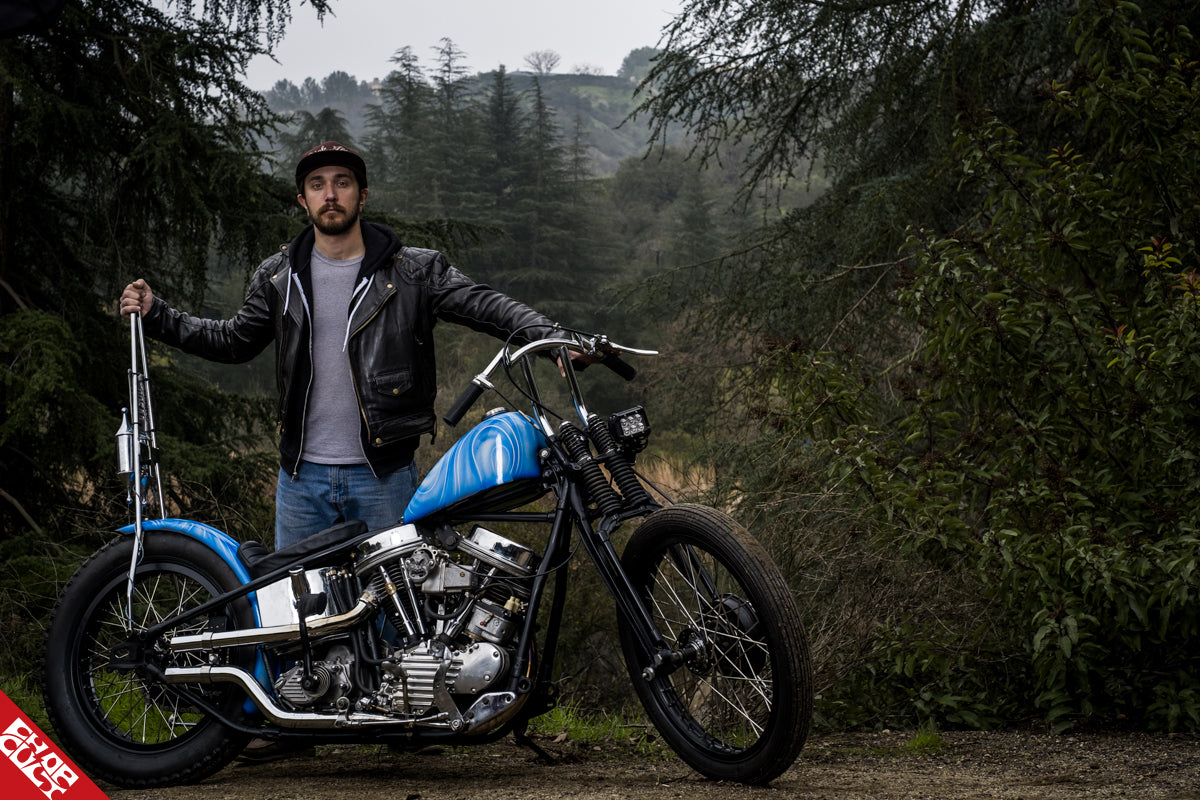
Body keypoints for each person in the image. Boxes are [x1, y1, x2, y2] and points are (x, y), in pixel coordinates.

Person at [119, 141, 565, 551]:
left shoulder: (414, 272)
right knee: (302, 619)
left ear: (362, 195)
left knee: (394, 624)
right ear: (303, 200)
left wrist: (551, 336)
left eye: (341, 183)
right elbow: (233, 341)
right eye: (317, 185)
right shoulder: (280, 276)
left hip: (383, 478)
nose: (329, 194)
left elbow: (485, 305)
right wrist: (160, 314)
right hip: (300, 481)